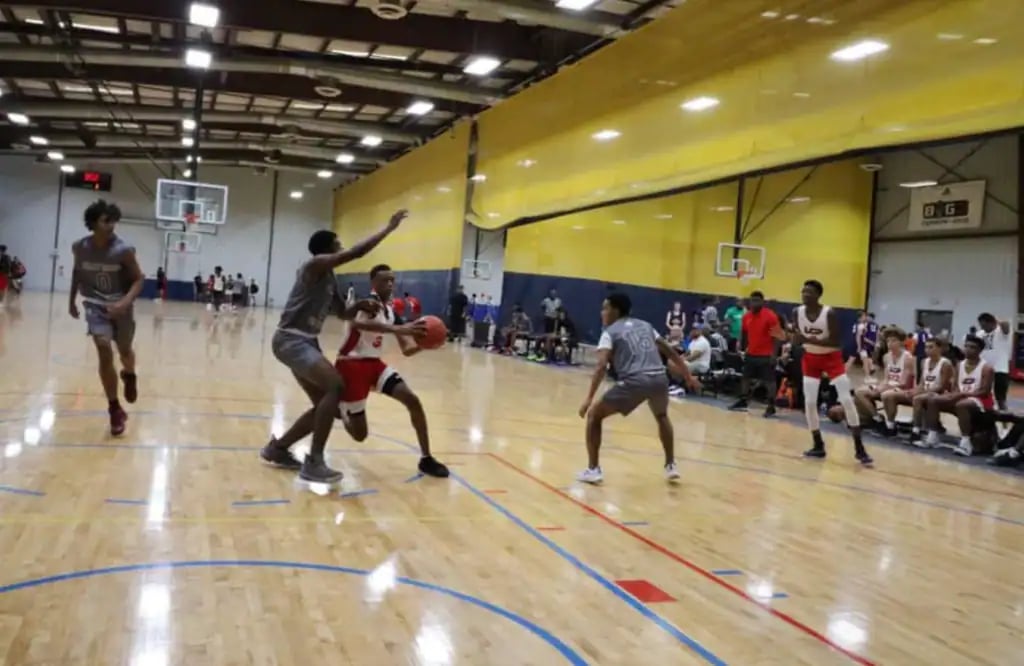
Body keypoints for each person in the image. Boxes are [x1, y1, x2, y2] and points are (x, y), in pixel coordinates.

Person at [259, 210, 412, 484]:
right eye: (338, 244)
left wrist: (360, 305)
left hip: (305, 341)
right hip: (291, 339)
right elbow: (357, 252)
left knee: (325, 405)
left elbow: (342, 313)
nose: (342, 247)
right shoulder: (314, 265)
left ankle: (278, 448)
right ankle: (314, 461)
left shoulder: (329, 277)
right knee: (335, 386)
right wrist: (389, 228)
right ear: (327, 249)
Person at [334, 264, 448, 477]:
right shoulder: (368, 304)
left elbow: (406, 350)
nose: (389, 284)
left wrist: (427, 344)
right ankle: (342, 412)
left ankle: (426, 458)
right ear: (373, 283)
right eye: (384, 280)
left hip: (375, 365)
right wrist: (398, 328)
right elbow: (359, 326)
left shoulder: (390, 312)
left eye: (392, 280)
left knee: (412, 400)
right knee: (360, 435)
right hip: (351, 365)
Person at [575, 292, 699, 484]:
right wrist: (688, 376)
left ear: (616, 311)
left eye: (605, 308)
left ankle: (593, 469)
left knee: (594, 415)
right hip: (659, 378)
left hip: (635, 380)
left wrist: (589, 398)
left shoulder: (609, 332)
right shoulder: (646, 326)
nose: (602, 312)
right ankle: (671, 465)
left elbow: (601, 366)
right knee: (662, 416)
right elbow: (670, 351)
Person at [67, 200, 144, 436]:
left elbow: (139, 279)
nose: (111, 225)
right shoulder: (79, 247)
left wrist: (123, 303)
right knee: (102, 347)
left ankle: (129, 374)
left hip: (121, 306)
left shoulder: (124, 250)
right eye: (106, 221)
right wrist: (71, 300)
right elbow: (77, 272)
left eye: (113, 221)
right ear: (92, 223)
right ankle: (114, 409)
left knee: (125, 351)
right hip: (95, 305)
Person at [780, 279, 872, 465]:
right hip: (810, 359)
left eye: (809, 292)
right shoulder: (797, 312)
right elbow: (797, 338)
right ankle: (818, 444)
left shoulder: (828, 313)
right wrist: (792, 339)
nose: (805, 295)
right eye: (803, 291)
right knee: (810, 402)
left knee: (846, 400)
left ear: (818, 295)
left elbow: (835, 342)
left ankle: (859, 447)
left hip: (832, 358)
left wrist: (806, 339)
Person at [923, 335, 995, 456]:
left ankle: (966, 443)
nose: (967, 349)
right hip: (961, 396)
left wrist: (962, 394)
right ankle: (933, 435)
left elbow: (985, 392)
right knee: (933, 399)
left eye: (972, 347)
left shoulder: (987, 368)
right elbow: (955, 386)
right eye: (966, 346)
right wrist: (954, 394)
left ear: (979, 350)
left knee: (962, 405)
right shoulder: (959, 365)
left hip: (981, 401)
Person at [853, 328, 915, 436]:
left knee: (886, 394)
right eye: (888, 341)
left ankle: (891, 426)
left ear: (901, 342)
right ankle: (878, 420)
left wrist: (885, 387)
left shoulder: (908, 358)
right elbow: (886, 378)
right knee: (859, 392)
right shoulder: (886, 357)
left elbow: (904, 383)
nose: (890, 343)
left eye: (894, 340)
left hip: (904, 389)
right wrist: (879, 387)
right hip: (889, 386)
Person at [730, 291, 779, 417]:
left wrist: (774, 354)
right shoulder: (746, 316)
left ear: (762, 302)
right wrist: (741, 345)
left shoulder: (770, 316)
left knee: (769, 381)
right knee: (745, 377)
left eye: (757, 300)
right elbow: (744, 332)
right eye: (752, 300)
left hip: (766, 354)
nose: (754, 303)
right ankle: (743, 401)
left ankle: (771, 405)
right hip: (751, 353)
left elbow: (777, 337)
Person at [909, 338, 954, 447]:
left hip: (941, 393)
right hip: (927, 391)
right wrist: (914, 390)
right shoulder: (924, 362)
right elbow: (921, 383)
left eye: (931, 347)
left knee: (918, 399)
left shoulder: (945, 363)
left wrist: (923, 392)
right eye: (926, 347)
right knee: (911, 395)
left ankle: (916, 431)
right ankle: (928, 426)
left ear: (939, 348)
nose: (927, 350)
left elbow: (943, 386)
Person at [977, 313, 1011, 411]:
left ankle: (1004, 417)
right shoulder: (980, 334)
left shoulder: (1001, 331)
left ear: (992, 323)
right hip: (985, 368)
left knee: (1000, 397)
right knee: (983, 393)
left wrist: (995, 320)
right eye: (981, 325)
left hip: (1000, 368)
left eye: (984, 325)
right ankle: (987, 413)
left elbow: (1006, 324)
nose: (982, 328)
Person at [854, 311, 879, 376]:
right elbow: (877, 334)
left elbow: (861, 334)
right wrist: (876, 342)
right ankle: (868, 368)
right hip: (872, 342)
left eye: (867, 316)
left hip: (866, 341)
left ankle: (870, 368)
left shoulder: (866, 324)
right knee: (868, 355)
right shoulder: (876, 325)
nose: (866, 317)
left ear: (870, 317)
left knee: (866, 356)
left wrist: (868, 340)